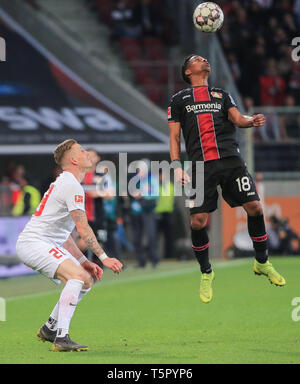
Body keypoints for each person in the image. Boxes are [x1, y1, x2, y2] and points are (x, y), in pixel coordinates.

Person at [168, 54, 286, 303]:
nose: (205, 61)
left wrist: (251, 121)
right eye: (198, 59)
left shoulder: (221, 95)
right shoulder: (178, 100)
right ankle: (206, 272)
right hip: (200, 166)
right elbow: (174, 137)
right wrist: (177, 166)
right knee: (198, 221)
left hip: (231, 160)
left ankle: (262, 261)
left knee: (254, 207)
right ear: (188, 71)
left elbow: (238, 119)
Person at [16, 139, 123, 351]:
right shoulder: (71, 185)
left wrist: (84, 261)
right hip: (35, 243)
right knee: (78, 277)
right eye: (82, 151)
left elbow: (64, 236)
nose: (87, 153)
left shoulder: (68, 183)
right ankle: (61, 338)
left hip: (41, 242)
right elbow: (83, 229)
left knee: (86, 280)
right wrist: (104, 258)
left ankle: (50, 328)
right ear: (74, 159)